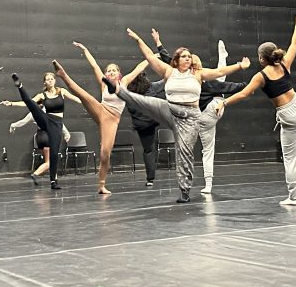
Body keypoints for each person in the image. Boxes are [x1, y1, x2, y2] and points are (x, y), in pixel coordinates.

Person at [105, 28, 250, 203]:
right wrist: (138, 40)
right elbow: (151, 57)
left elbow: (219, 73)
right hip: (170, 109)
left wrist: (240, 66)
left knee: (184, 153)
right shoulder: (169, 71)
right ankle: (118, 90)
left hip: (190, 117)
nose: (188, 58)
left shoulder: (198, 74)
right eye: (184, 56)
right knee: (145, 102)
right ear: (177, 59)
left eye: (189, 56)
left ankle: (185, 191)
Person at [215, 9, 296, 206]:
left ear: (262, 59)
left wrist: (224, 102)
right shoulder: (284, 64)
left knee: (291, 158)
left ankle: (293, 197)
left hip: (289, 116)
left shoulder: (261, 76)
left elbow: (245, 93)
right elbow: (295, 43)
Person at [151, 29, 247, 194]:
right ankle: (222, 59)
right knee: (220, 82)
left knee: (205, 149)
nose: (188, 61)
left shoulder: (187, 76)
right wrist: (249, 85)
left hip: (205, 113)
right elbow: (225, 82)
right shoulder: (200, 79)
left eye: (190, 60)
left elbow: (170, 60)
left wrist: (159, 44)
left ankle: (207, 184)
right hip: (208, 112)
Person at [50, 43, 146, 195]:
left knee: (105, 153)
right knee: (83, 95)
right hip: (100, 110)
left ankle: (101, 185)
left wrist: (152, 57)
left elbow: (139, 68)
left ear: (119, 73)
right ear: (106, 74)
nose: (111, 72)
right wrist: (85, 50)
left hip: (112, 119)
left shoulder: (125, 82)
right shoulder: (104, 83)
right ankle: (63, 75)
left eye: (114, 70)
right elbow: (94, 65)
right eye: (108, 71)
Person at [0, 72, 78, 186]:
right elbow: (29, 103)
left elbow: (76, 98)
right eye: (48, 79)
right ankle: (20, 86)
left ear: (55, 80)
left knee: (54, 155)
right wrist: (11, 103)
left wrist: (89, 103)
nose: (50, 80)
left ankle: (53, 181)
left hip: (50, 129)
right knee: (32, 105)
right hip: (46, 126)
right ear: (45, 82)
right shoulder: (43, 99)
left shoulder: (61, 92)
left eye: (52, 78)